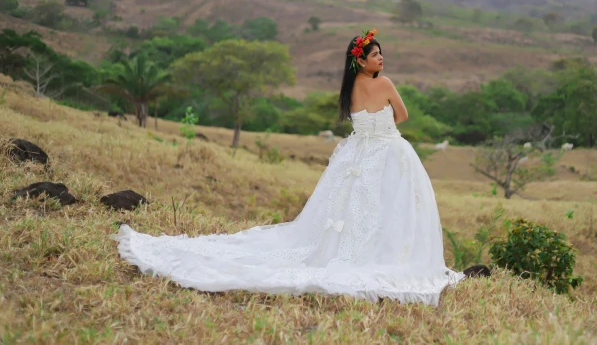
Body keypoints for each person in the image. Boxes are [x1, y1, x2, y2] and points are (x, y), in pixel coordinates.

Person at [113, 28, 465, 305]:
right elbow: (402, 116)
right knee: (386, 208)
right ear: (361, 61)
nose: (381, 59)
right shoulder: (383, 84)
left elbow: (359, 120)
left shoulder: (350, 90)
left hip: (357, 154)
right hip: (388, 152)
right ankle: (386, 255)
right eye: (375, 54)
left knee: (348, 210)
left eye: (381, 54)